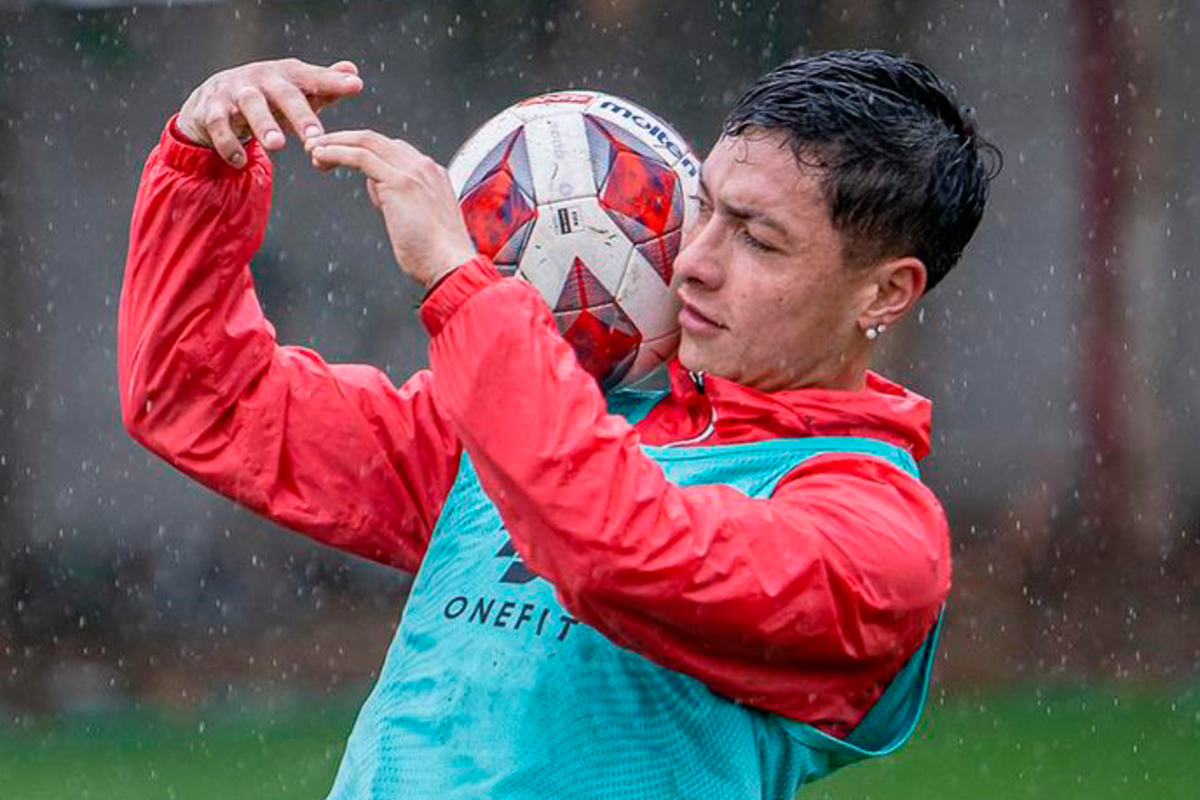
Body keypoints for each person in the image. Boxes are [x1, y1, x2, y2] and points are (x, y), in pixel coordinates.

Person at [119, 50, 996, 798]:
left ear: (885, 292)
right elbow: (198, 398)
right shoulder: (566, 412)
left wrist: (465, 285)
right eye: (704, 211)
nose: (693, 262)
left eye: (757, 241)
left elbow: (610, 544)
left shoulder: (876, 533)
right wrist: (204, 165)